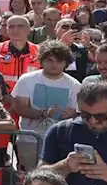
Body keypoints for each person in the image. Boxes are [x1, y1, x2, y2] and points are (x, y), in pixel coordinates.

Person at [12, 42, 82, 170]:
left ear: (66, 63)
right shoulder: (26, 79)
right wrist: (43, 113)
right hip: (29, 140)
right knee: (30, 177)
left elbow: (76, 111)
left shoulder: (74, 85)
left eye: (59, 61)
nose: (54, 64)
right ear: (41, 60)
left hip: (59, 141)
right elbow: (20, 108)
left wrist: (70, 114)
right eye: (49, 60)